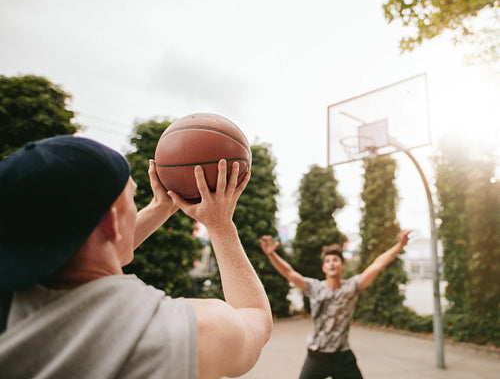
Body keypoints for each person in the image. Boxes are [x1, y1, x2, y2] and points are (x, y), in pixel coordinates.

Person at [0, 135, 273, 379]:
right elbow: (255, 315)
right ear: (111, 222)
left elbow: (72, 250)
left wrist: (159, 208)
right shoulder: (186, 331)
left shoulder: (10, 318)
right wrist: (220, 225)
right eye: (132, 198)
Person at [260, 229, 410, 379]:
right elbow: (289, 273)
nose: (331, 263)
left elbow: (377, 265)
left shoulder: (351, 287)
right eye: (328, 261)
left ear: (342, 265)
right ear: (323, 267)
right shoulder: (315, 287)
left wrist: (399, 245)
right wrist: (271, 254)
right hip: (317, 356)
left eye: (335, 260)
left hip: (342, 357)